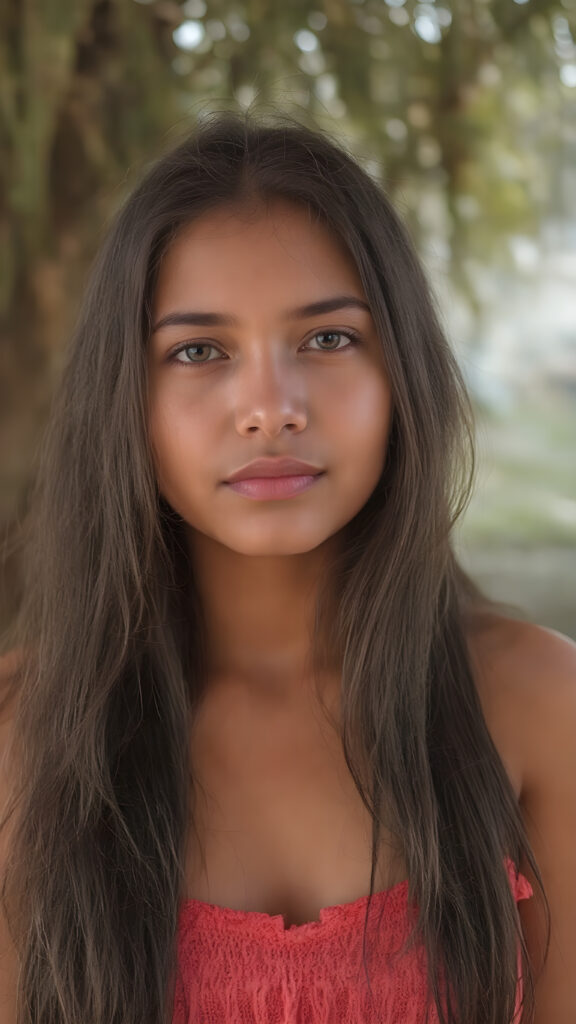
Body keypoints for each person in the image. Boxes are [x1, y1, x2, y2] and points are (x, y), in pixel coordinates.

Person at [0, 111, 574, 1024]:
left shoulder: (541, 706)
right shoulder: (22, 737)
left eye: (328, 338)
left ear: (403, 372)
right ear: (125, 398)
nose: (270, 408)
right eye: (198, 351)